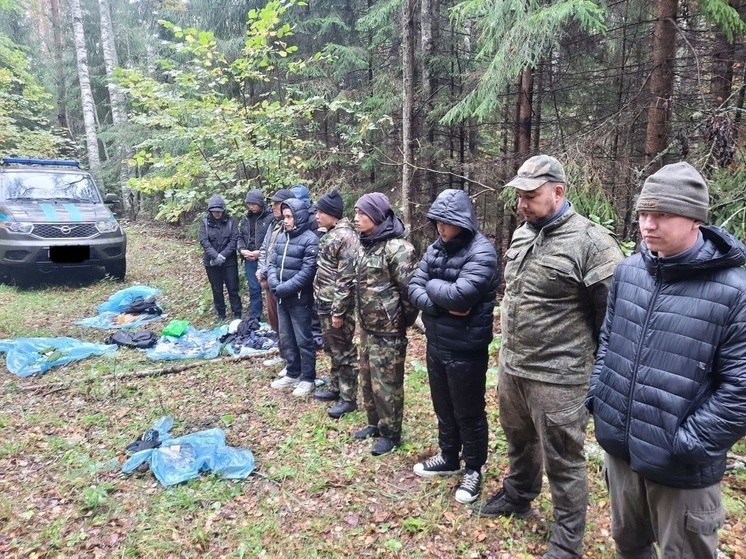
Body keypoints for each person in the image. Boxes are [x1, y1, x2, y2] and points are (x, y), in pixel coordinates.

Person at [586, 162, 746, 558]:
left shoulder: (734, 292)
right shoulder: (628, 272)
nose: (647, 224)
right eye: (643, 213)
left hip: (681, 470)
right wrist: (600, 399)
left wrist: (685, 442)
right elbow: (607, 341)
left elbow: (741, 391)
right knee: (629, 545)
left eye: (662, 214)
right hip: (621, 453)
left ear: (695, 219)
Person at [474, 155, 623, 559]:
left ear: (558, 192)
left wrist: (596, 375)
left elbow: (611, 319)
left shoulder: (593, 244)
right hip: (514, 366)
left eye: (531, 195)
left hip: (560, 378)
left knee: (564, 461)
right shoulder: (524, 234)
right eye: (519, 195)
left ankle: (566, 540)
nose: (522, 203)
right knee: (519, 441)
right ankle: (519, 495)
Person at [408, 189, 499, 504]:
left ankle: (473, 468)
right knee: (443, 407)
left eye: (446, 223)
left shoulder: (482, 252)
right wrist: (438, 303)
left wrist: (433, 290)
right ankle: (448, 456)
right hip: (437, 343)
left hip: (466, 349)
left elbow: (462, 296)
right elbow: (413, 287)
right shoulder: (436, 249)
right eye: (437, 222)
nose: (440, 229)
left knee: (469, 412)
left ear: (462, 221)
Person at [352, 192, 418, 456]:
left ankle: (391, 433)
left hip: (389, 331)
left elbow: (410, 293)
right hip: (367, 327)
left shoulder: (398, 248)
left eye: (362, 214)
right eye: (355, 213)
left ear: (377, 217)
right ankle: (374, 424)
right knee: (367, 378)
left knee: (387, 383)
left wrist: (401, 321)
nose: (356, 219)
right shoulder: (366, 244)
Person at [312, 190, 361, 418]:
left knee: (343, 350)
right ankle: (335, 387)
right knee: (332, 348)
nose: (317, 216)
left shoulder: (346, 237)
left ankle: (348, 398)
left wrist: (339, 310)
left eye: (321, 212)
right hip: (324, 301)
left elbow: (346, 278)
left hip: (337, 305)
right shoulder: (332, 233)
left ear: (332, 213)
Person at [267, 197, 319, 397]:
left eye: (289, 217)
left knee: (303, 339)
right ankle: (292, 372)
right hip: (281, 297)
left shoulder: (309, 239)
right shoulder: (282, 237)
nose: (286, 220)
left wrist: (284, 288)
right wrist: (274, 284)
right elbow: (272, 263)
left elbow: (307, 272)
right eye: (285, 216)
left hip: (299, 300)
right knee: (286, 337)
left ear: (299, 217)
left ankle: (308, 378)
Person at [257, 188, 295, 369]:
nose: (273, 207)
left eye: (277, 204)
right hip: (268, 281)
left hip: (280, 281)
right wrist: (260, 271)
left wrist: (267, 275)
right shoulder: (274, 224)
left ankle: (291, 358)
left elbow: (282, 258)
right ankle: (282, 352)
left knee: (286, 323)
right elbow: (265, 249)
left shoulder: (291, 228)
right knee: (274, 321)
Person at [199, 194, 242, 322]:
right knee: (216, 289)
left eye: (219, 211)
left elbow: (234, 239)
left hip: (229, 262)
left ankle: (237, 313)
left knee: (233, 288)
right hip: (211, 262)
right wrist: (215, 256)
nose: (217, 213)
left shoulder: (231, 221)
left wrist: (222, 256)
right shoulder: (205, 223)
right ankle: (221, 313)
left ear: (223, 210)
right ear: (210, 211)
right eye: (214, 211)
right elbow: (204, 241)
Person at [237, 189, 274, 321]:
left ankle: (274, 317)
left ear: (260, 203)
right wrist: (241, 249)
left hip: (266, 258)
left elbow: (274, 239)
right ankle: (255, 316)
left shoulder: (271, 217)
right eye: (249, 204)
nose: (251, 206)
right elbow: (240, 236)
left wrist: (260, 253)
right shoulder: (245, 218)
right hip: (249, 258)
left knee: (271, 287)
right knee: (253, 288)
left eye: (254, 204)